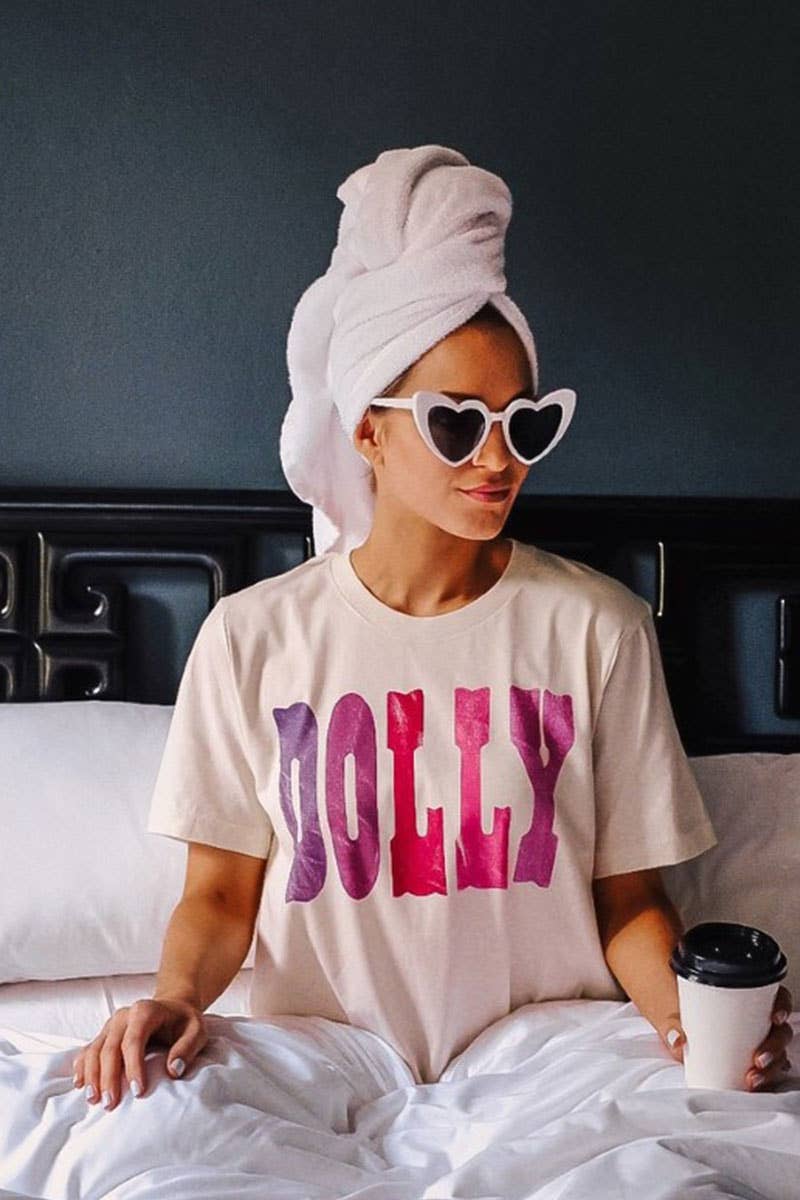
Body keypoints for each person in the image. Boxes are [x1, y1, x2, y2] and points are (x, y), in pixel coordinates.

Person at [72, 146, 792, 1111]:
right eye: (457, 422)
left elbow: (630, 901)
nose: (498, 460)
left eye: (523, 425)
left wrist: (686, 1024)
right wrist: (173, 999)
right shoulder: (252, 640)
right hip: (320, 1064)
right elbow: (219, 895)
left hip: (550, 1062)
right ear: (368, 430)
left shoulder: (600, 630)